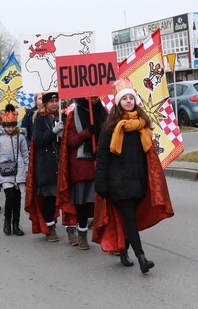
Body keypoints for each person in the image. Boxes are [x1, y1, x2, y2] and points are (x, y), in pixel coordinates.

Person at [93, 79, 174, 274]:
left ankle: (123, 250)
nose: (128, 101)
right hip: (118, 183)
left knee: (130, 220)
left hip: (138, 182)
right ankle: (142, 258)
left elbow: (150, 158)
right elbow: (102, 158)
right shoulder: (110, 128)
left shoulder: (143, 127)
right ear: (118, 102)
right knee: (129, 218)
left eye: (131, 98)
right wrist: (101, 184)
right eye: (124, 98)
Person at [57, 97, 108, 250]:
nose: (94, 99)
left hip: (100, 162)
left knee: (104, 203)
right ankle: (82, 234)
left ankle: (110, 239)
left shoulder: (104, 112)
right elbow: (71, 141)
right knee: (84, 203)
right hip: (81, 164)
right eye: (91, 96)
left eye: (96, 96)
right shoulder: (74, 114)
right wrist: (87, 132)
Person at [25, 91, 64, 242]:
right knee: (49, 197)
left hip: (61, 164)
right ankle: (50, 226)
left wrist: (63, 135)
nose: (54, 104)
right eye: (51, 101)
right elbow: (39, 140)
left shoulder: (63, 117)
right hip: (46, 164)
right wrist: (53, 132)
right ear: (46, 103)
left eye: (56, 101)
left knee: (61, 197)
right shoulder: (39, 120)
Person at [0, 104, 29, 236]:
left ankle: (16, 224)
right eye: (8, 126)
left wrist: (28, 169)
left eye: (12, 126)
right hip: (5, 171)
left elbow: (25, 154)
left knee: (17, 199)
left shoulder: (20, 136)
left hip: (19, 171)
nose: (10, 129)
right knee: (10, 196)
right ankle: (7, 220)